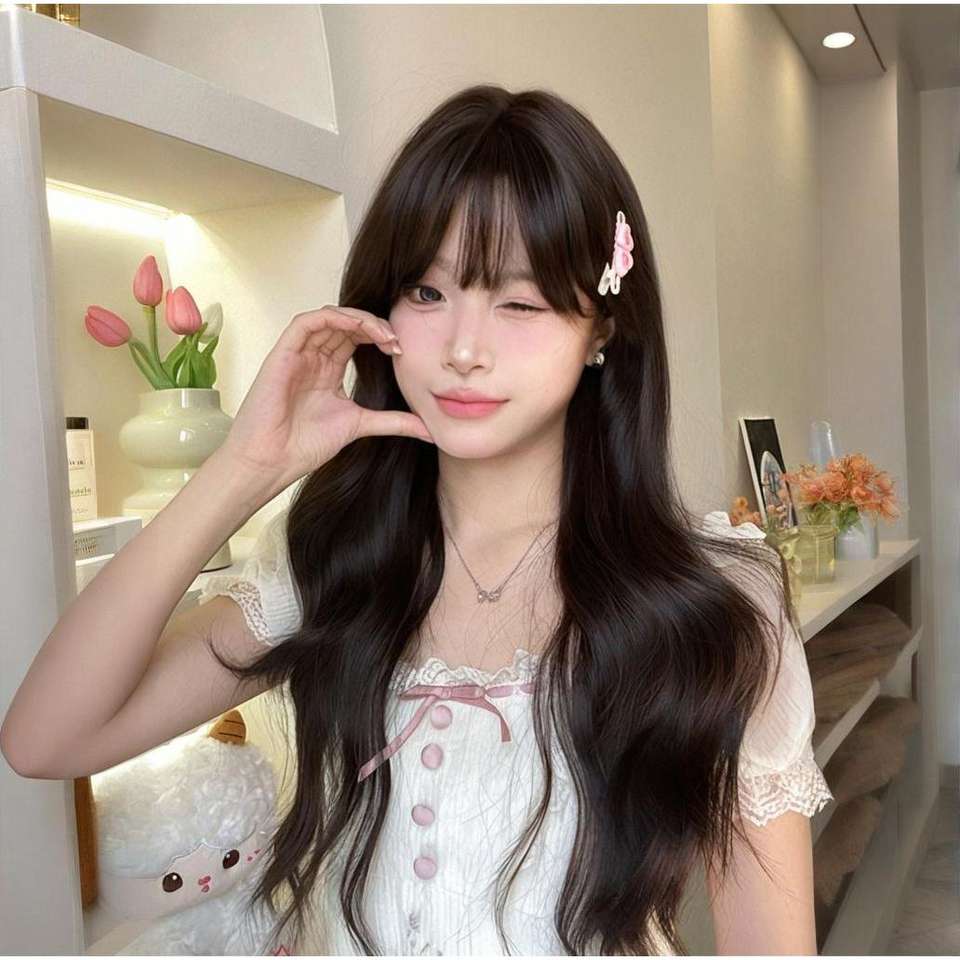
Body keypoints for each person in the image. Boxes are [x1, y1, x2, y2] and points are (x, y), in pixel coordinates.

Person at [0, 84, 833, 955]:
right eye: (428, 294)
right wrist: (245, 468)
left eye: (519, 302)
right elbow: (46, 739)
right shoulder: (333, 562)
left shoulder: (716, 599)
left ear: (602, 329)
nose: (464, 349)